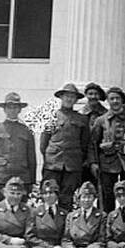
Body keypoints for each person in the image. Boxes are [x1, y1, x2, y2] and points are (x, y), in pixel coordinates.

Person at [88, 87, 125, 212]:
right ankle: (106, 222)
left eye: (117, 98)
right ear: (108, 101)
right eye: (112, 99)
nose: (115, 101)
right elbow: (93, 144)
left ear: (123, 101)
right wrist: (93, 162)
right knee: (106, 195)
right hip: (108, 163)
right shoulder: (101, 120)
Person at [40, 83, 91, 212]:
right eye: (66, 96)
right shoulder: (51, 117)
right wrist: (50, 157)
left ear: (76, 100)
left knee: (67, 197)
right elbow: (43, 144)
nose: (69, 99)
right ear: (61, 97)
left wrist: (79, 159)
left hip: (72, 164)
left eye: (72, 97)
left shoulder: (82, 119)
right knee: (49, 194)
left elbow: (84, 143)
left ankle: (65, 226)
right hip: (53, 163)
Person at [0, 92, 36, 206]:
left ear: (19, 110)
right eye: (9, 107)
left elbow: (31, 158)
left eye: (15, 107)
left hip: (21, 176)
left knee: (20, 210)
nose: (12, 110)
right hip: (0, 177)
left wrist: (31, 181)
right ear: (4, 109)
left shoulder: (26, 131)